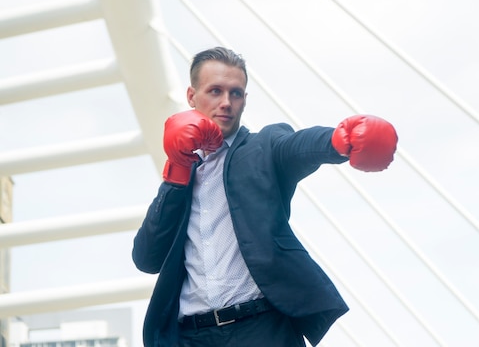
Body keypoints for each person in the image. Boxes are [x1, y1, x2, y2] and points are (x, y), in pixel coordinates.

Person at [132, 46, 398, 347]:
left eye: (236, 93)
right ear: (192, 97)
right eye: (215, 91)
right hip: (190, 336)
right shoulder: (183, 170)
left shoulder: (264, 148)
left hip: (261, 330)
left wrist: (338, 141)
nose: (226, 102)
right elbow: (146, 258)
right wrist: (176, 172)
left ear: (245, 99)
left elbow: (296, 146)